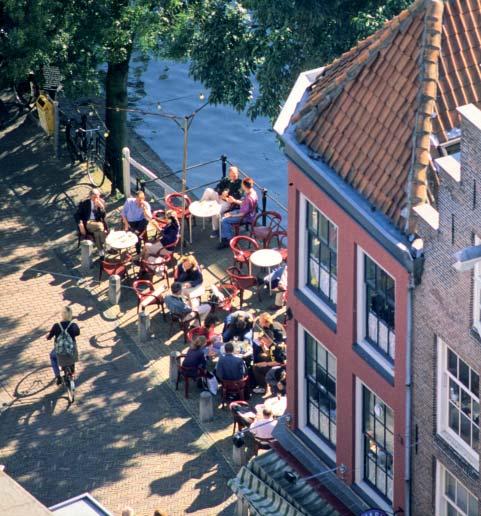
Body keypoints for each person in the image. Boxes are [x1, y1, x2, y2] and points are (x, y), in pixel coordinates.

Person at [201, 165, 243, 238]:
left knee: (215, 211)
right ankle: (201, 206)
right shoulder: (226, 179)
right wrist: (221, 193)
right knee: (208, 190)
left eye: (235, 174)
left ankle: (215, 230)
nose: (234, 176)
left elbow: (238, 195)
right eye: (232, 174)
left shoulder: (240, 183)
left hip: (227, 202)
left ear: (238, 173)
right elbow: (217, 187)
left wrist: (227, 196)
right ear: (229, 174)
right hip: (220, 197)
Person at [218, 177, 258, 248]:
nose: (241, 186)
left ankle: (228, 240)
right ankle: (226, 234)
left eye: (242, 185)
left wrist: (231, 215)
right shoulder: (253, 192)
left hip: (246, 217)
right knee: (224, 216)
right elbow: (244, 203)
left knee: (224, 220)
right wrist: (234, 200)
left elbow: (243, 214)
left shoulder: (249, 198)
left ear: (245, 186)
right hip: (248, 213)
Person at [46, 306, 80, 385]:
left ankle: (58, 377)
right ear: (71, 315)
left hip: (60, 352)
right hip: (72, 352)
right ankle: (72, 370)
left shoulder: (56, 326)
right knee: (73, 350)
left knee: (52, 356)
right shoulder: (74, 325)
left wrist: (48, 337)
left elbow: (50, 336)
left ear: (62, 315)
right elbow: (78, 333)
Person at [74, 188, 107, 256]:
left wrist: (101, 207)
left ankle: (100, 250)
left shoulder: (101, 202)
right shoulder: (85, 203)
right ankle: (107, 245)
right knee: (100, 226)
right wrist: (80, 223)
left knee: (97, 232)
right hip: (88, 222)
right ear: (90, 196)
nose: (96, 199)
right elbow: (76, 215)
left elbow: (103, 216)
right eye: (94, 197)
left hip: (97, 221)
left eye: (98, 196)